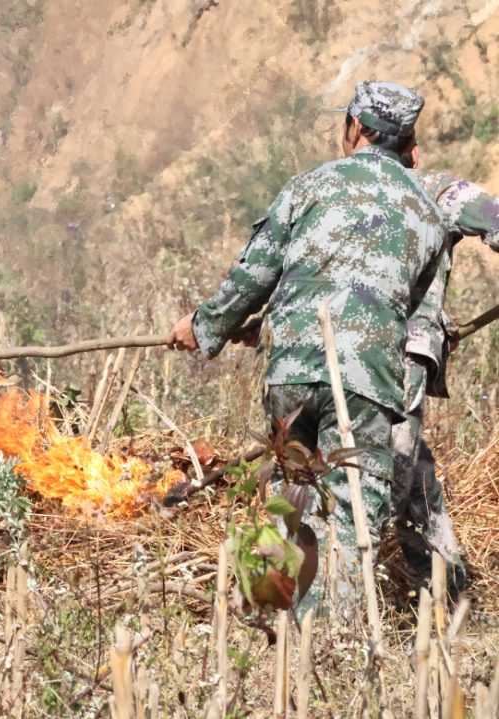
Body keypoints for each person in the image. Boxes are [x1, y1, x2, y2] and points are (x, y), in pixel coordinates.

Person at [165, 81, 451, 611]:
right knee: (350, 516)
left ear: (359, 129)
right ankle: (331, 638)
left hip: (292, 373)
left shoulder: (308, 186)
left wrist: (205, 327)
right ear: (404, 139)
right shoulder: (429, 216)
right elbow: (410, 310)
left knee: (288, 502)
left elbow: (255, 275)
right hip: (367, 381)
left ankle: (267, 622)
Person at [391, 145, 499, 597]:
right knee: (389, 473)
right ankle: (342, 614)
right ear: (413, 152)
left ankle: (448, 594)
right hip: (393, 359)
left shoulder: (332, 192)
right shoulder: (434, 189)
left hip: (325, 359)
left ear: (353, 135)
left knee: (409, 470)